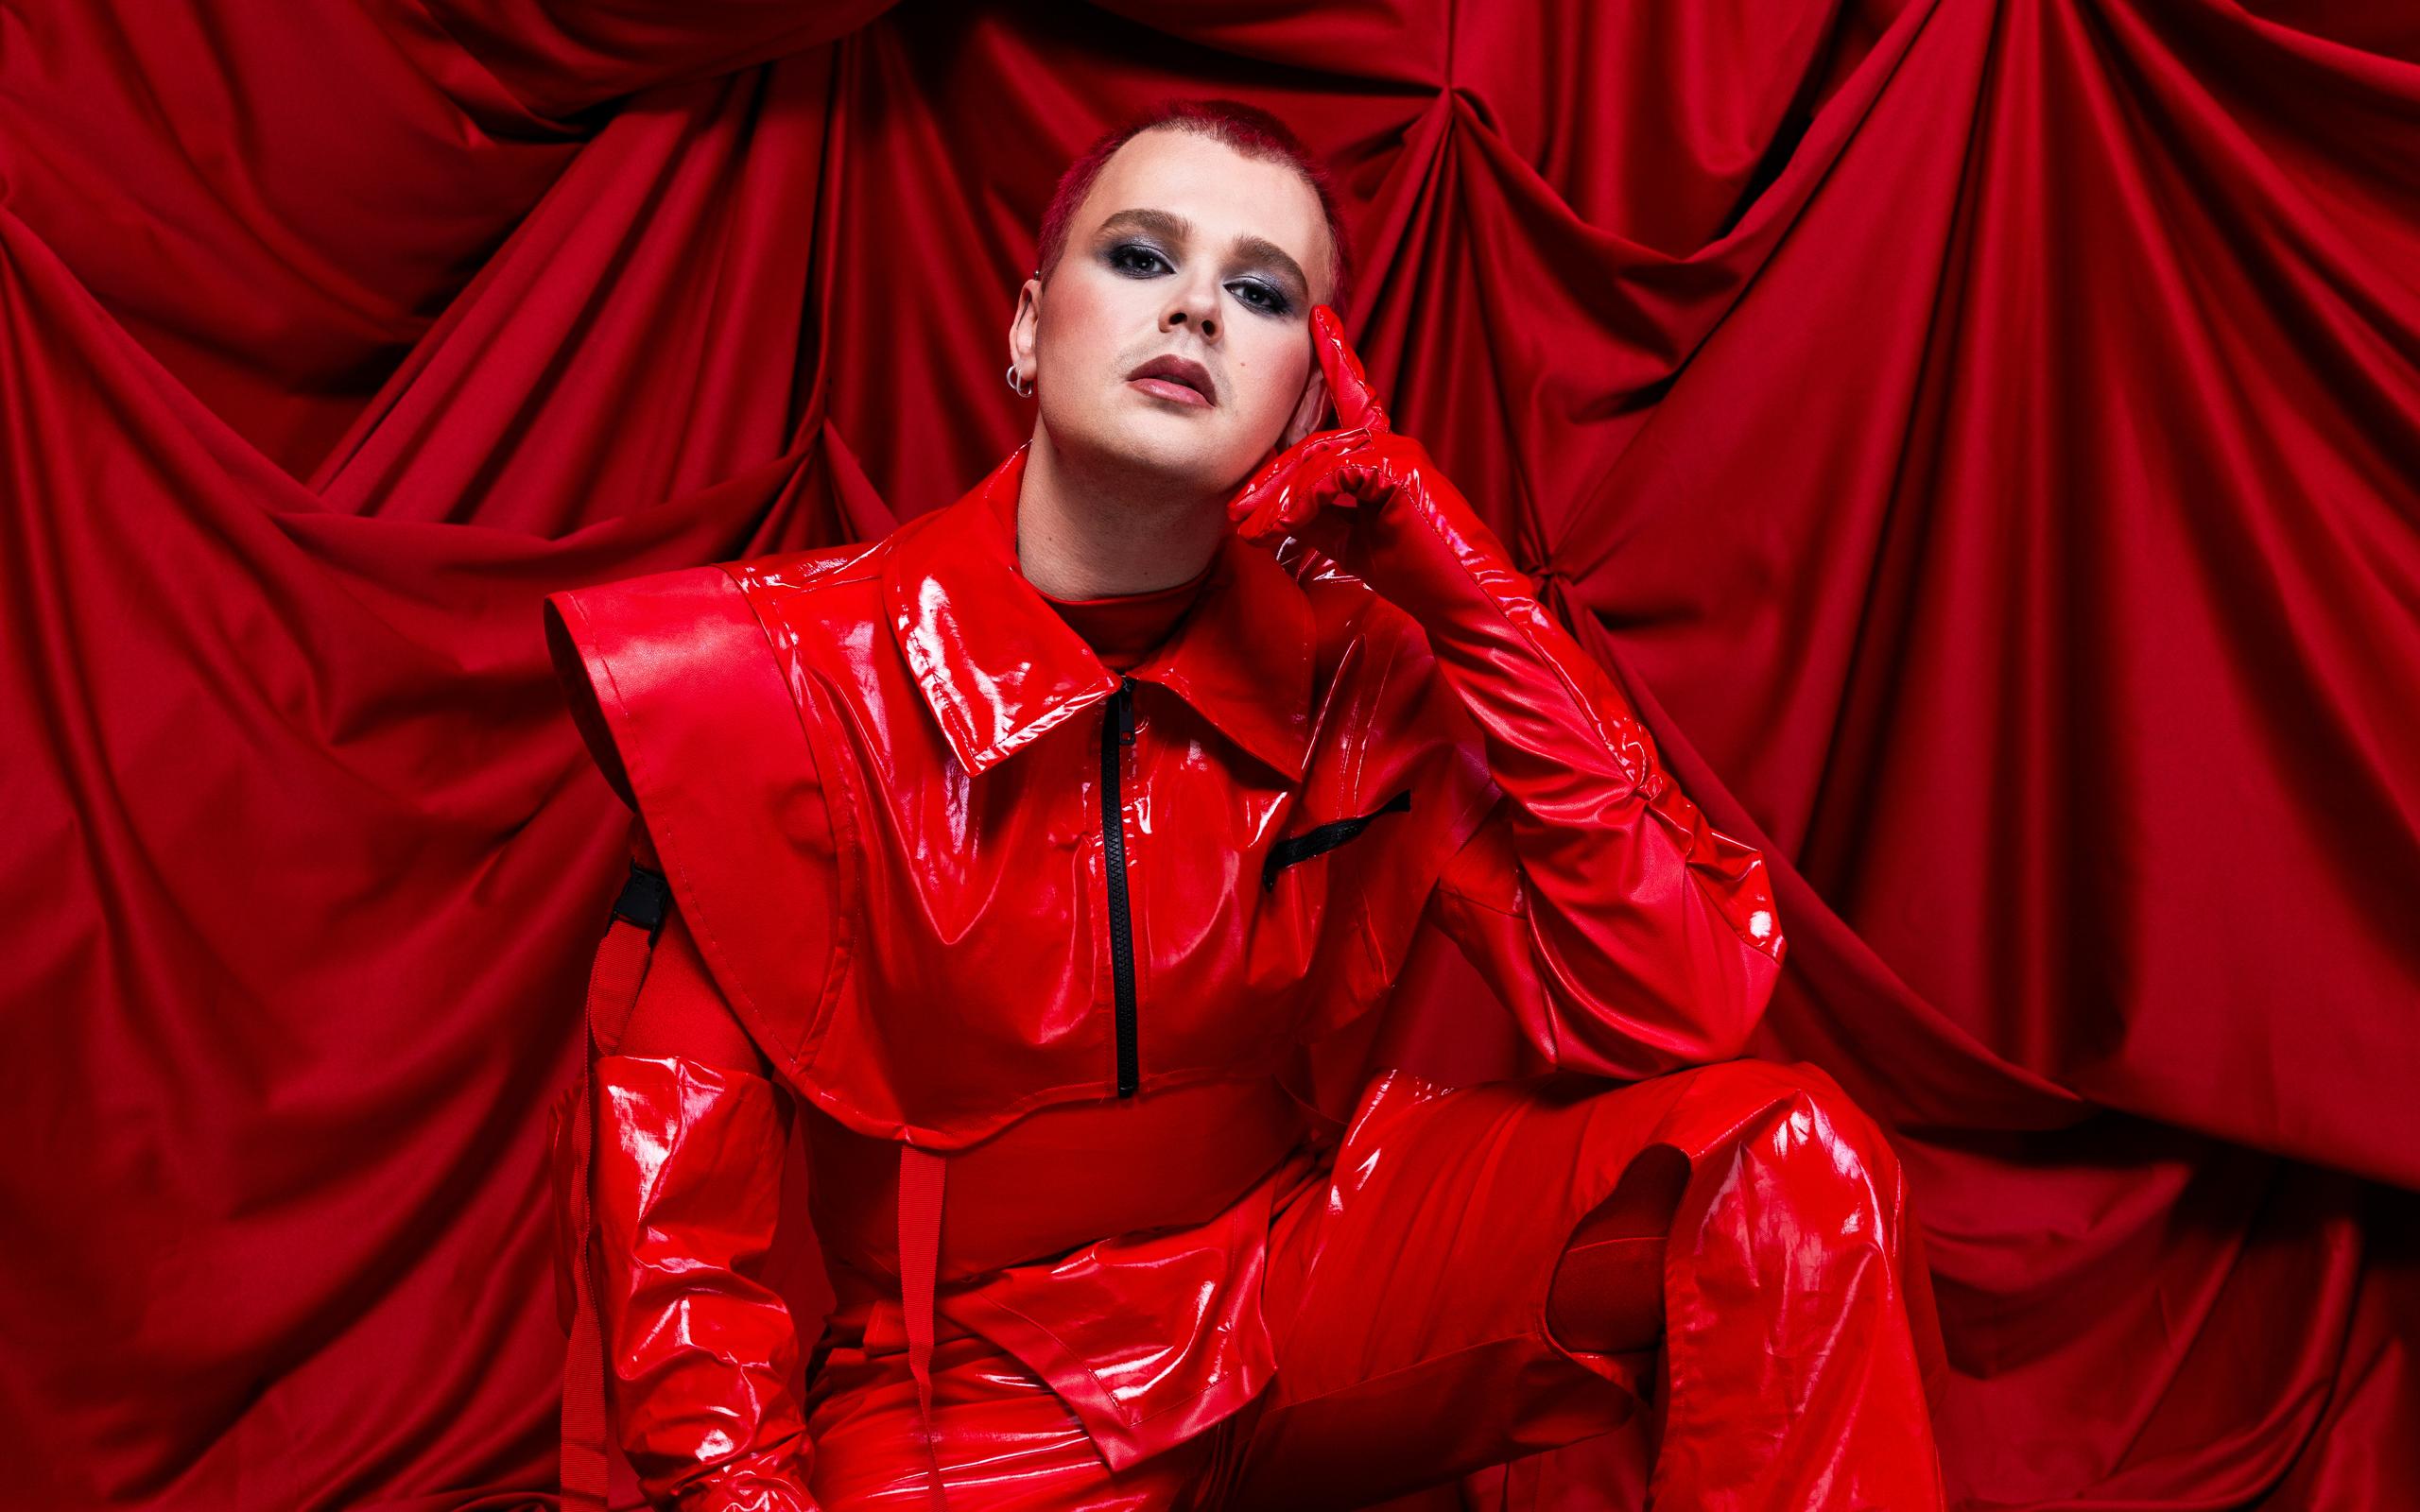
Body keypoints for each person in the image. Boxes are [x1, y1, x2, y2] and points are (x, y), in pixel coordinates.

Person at [541, 97, 1947, 1512]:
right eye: (1141, 257)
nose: (1197, 309)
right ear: (1026, 328)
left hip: (1300, 1292)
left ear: (1309, 398)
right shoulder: (774, 686)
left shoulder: (1362, 667)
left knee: (1784, 1163)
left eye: (1262, 292)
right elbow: (679, 1257)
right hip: (970, 1390)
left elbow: (1676, 1001)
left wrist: (1472, 599)